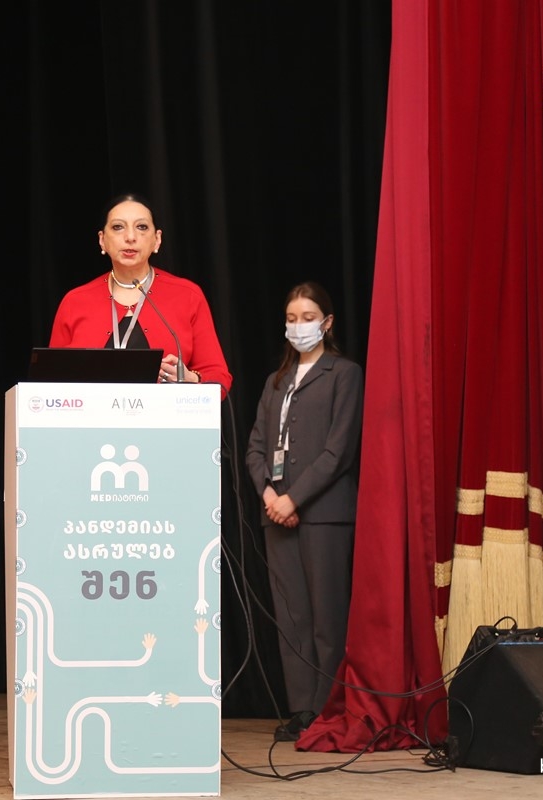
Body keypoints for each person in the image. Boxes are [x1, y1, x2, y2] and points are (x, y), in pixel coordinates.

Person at [245, 281, 364, 741]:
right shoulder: (275, 381)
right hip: (276, 514)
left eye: (308, 318)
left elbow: (339, 451)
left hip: (324, 514)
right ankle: (301, 709)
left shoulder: (343, 374)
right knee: (292, 618)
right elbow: (256, 448)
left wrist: (294, 499)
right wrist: (270, 496)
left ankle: (327, 708)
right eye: (292, 319)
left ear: (327, 323)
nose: (299, 327)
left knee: (326, 616)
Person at [49, 193, 232, 397]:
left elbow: (219, 379)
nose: (130, 237)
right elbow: (49, 381)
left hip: (166, 415)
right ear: (102, 240)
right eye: (118, 227)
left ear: (157, 239)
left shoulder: (187, 295)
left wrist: (193, 379)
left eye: (142, 227)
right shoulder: (75, 301)